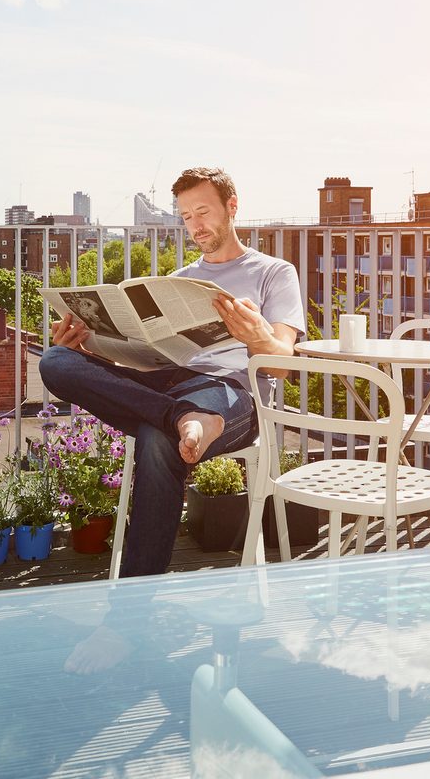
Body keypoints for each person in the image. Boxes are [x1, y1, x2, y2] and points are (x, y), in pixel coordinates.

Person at [39, 167, 305, 586]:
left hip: (233, 394)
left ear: (232, 207)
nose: (195, 226)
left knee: (156, 439)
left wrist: (257, 336)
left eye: (203, 212)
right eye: (186, 216)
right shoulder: (180, 281)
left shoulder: (274, 272)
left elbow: (282, 365)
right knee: (55, 361)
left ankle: (136, 596)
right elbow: (149, 360)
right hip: (171, 386)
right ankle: (180, 417)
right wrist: (90, 346)